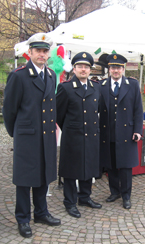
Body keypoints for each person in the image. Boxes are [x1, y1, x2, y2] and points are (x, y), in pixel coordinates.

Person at [2, 33, 61, 238]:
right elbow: (9, 110)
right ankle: (23, 218)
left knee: (44, 175)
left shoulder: (52, 75)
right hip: (27, 135)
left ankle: (41, 213)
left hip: (45, 135)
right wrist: (17, 134)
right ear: (30, 53)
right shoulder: (19, 76)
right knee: (24, 179)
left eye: (45, 51)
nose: (42, 55)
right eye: (38, 51)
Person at [56, 52, 102, 218]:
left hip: (91, 135)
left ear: (90, 70)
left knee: (89, 167)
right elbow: (58, 114)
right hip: (73, 136)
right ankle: (69, 202)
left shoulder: (96, 87)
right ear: (74, 69)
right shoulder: (65, 88)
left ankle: (85, 197)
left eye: (86, 67)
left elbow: (98, 111)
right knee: (70, 170)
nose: (83, 69)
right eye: (80, 66)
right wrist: (71, 127)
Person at [99, 53, 143, 209]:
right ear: (109, 69)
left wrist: (138, 130)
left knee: (124, 167)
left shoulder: (132, 85)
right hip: (108, 132)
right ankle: (114, 192)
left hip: (126, 133)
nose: (115, 70)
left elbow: (138, 110)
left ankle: (126, 195)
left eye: (118, 68)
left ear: (123, 69)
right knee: (111, 165)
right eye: (112, 67)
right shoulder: (102, 85)